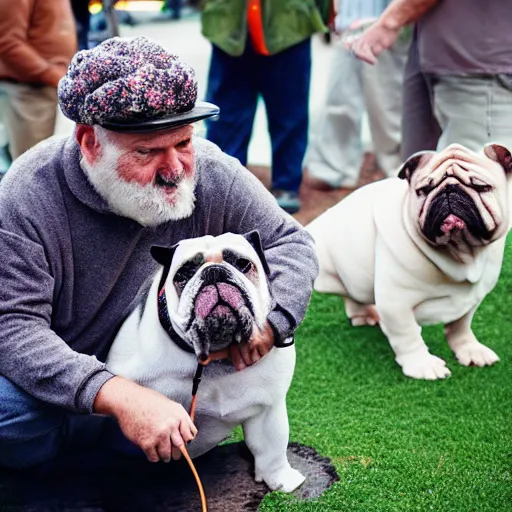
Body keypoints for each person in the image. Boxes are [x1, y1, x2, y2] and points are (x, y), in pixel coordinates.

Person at [0, 36, 318, 469]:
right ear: (90, 142)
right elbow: (13, 326)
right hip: (64, 376)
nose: (173, 170)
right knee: (12, 410)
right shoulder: (26, 193)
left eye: (183, 143)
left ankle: (87, 446)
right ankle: (82, 443)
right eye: (147, 151)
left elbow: (292, 242)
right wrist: (118, 396)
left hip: (162, 367)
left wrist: (273, 321)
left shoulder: (207, 167)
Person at [201, 0, 330, 214]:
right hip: (229, 24)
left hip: (289, 24)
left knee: (289, 112)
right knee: (227, 116)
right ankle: (223, 185)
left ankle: (286, 184)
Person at [345, 0, 512, 156]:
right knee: (421, 175)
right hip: (436, 53)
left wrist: (389, 22)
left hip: (483, 65)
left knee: (475, 176)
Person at [305, 0, 410, 191]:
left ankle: (397, 172)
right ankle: (335, 170)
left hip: (384, 26)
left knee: (386, 106)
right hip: (347, 25)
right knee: (339, 101)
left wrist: (392, 23)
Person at [0, 0, 77, 161]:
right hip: (28, 91)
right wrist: (52, 74)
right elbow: (7, 42)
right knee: (30, 167)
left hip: (46, 88)